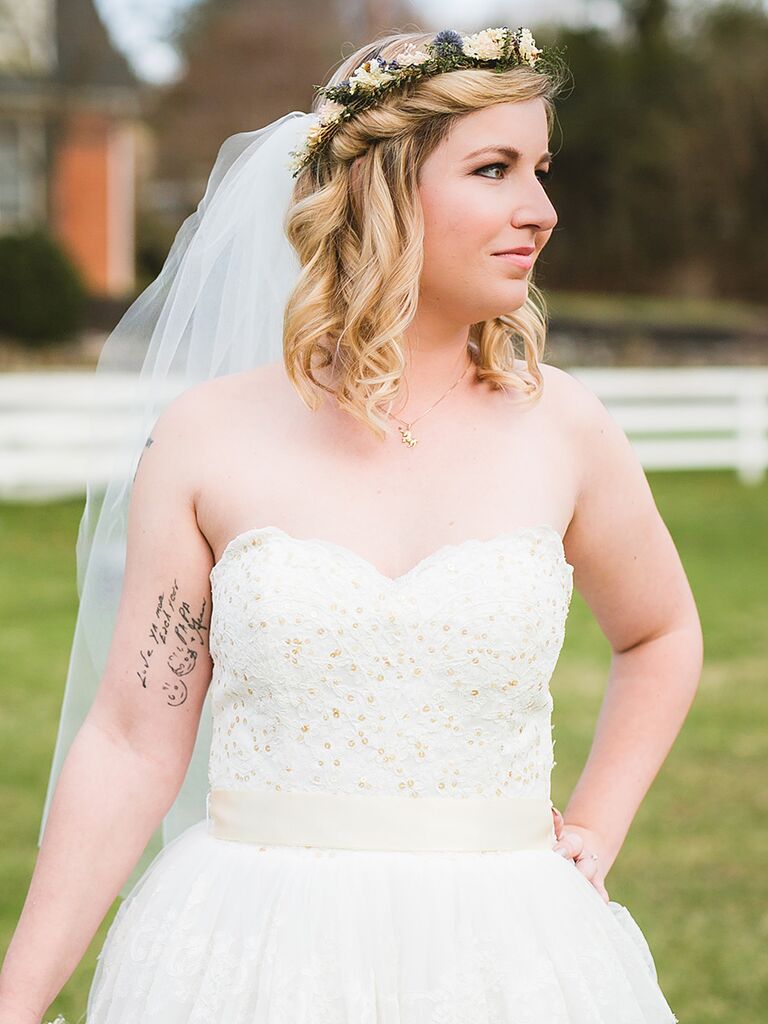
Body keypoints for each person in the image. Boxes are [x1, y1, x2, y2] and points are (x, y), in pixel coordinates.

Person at [0, 25, 702, 1023]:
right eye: (494, 168)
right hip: (246, 948)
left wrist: (596, 824)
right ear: (378, 189)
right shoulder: (204, 440)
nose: (540, 211)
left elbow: (661, 632)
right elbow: (131, 738)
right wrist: (17, 998)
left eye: (541, 170)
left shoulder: (569, 430)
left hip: (505, 949)